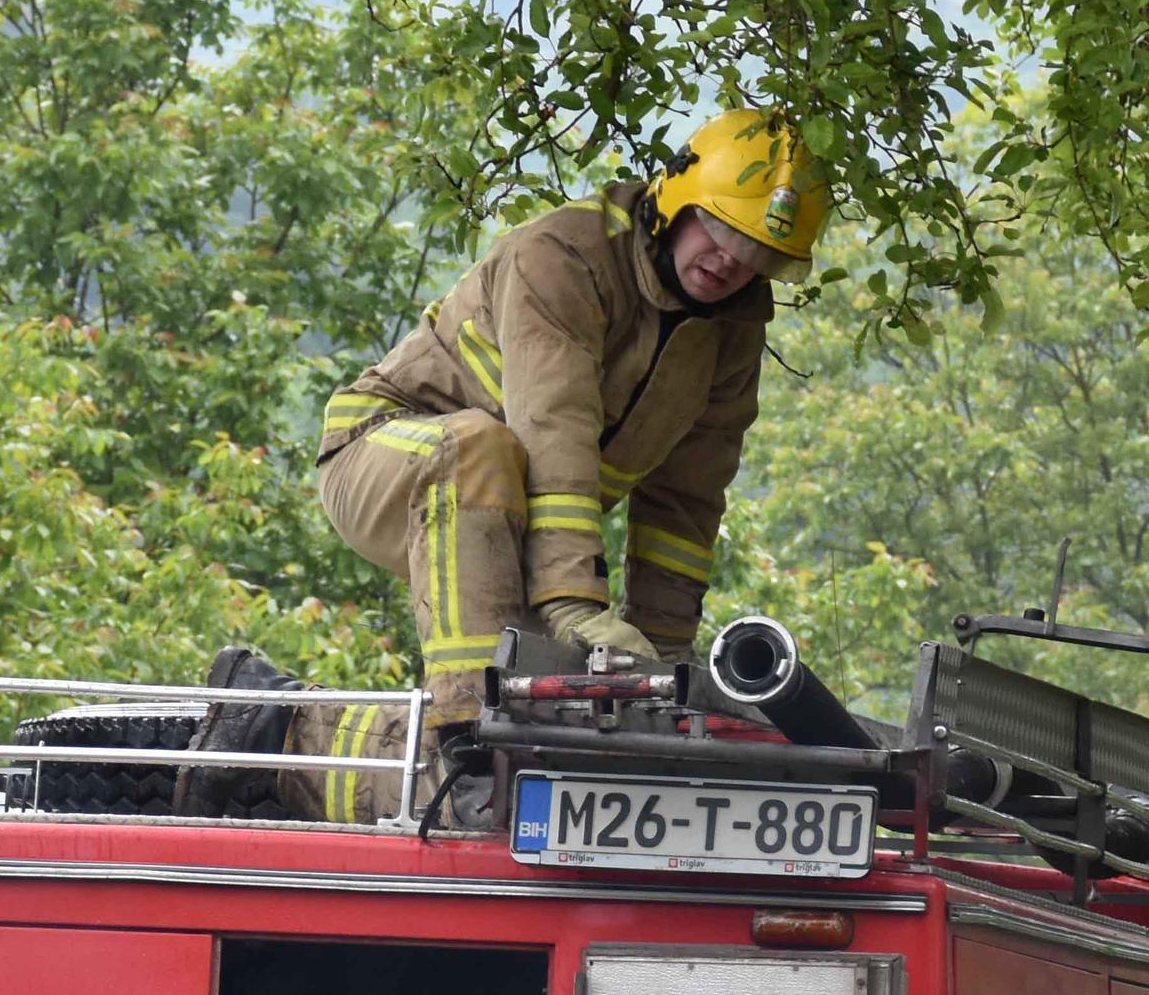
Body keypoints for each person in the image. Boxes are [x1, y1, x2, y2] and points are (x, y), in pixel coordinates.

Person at [262, 109, 832, 819]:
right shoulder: (564, 257)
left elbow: (688, 499)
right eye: (724, 231)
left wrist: (664, 670)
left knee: (542, 750)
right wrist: (572, 605)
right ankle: (468, 726)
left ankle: (282, 739)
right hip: (388, 454)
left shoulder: (735, 325)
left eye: (760, 255)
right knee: (477, 452)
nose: (732, 263)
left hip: (517, 509)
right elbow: (551, 431)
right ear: (678, 200)